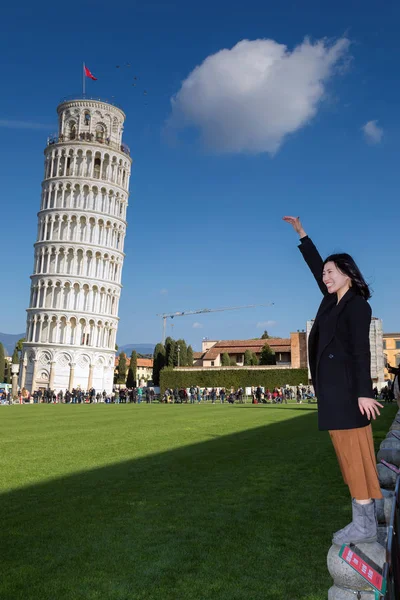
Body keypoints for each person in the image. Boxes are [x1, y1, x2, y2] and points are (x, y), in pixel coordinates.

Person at [283, 215, 383, 546]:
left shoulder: (357, 306)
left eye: (330, 272)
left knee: (355, 457)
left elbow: (359, 352)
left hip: (348, 395)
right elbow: (315, 266)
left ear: (346, 273)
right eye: (323, 273)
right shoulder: (331, 301)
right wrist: (303, 235)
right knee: (349, 457)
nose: (324, 277)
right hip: (334, 394)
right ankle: (364, 521)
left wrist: (364, 393)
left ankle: (364, 524)